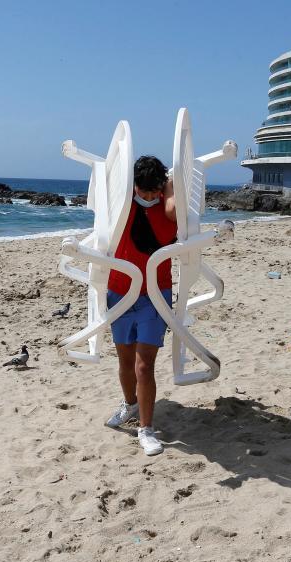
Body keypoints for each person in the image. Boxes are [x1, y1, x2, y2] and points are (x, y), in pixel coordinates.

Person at [104, 155, 177, 456]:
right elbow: (105, 185)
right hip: (120, 292)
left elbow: (172, 207)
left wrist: (170, 184)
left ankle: (146, 429)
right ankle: (130, 405)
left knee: (144, 366)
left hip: (154, 295)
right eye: (142, 191)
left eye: (153, 191)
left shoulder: (170, 210)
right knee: (124, 363)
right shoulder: (122, 206)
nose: (148, 197)